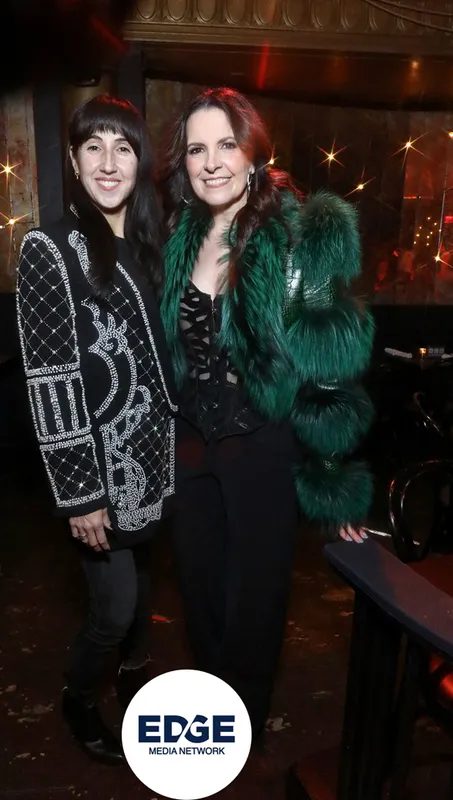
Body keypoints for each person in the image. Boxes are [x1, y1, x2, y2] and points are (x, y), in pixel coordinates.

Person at [159, 87, 374, 740]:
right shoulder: (178, 234)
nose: (211, 162)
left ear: (253, 153)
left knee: (255, 596)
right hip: (190, 446)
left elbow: (328, 362)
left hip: (263, 443)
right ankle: (210, 707)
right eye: (197, 148)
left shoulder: (298, 237)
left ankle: (238, 721)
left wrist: (333, 481)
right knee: (197, 588)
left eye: (226, 144)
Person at [16, 95, 177, 764]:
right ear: (74, 159)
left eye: (124, 147)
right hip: (99, 474)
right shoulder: (50, 248)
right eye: (94, 146)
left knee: (141, 590)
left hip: (153, 464)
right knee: (113, 609)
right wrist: (80, 493)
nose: (109, 162)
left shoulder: (150, 244)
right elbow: (50, 380)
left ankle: (134, 677)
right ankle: (79, 697)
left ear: (140, 162)